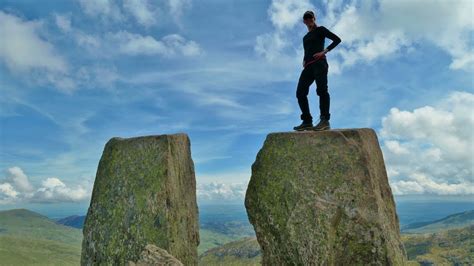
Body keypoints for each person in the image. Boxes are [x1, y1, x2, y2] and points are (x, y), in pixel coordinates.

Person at [293, 10, 341, 131]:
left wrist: (324, 51)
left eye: (311, 18)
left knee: (322, 91)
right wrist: (304, 60)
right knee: (300, 93)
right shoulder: (305, 37)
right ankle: (307, 121)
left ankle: (325, 120)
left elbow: (337, 40)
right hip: (308, 66)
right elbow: (307, 50)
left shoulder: (321, 30)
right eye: (306, 18)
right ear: (304, 21)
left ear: (314, 18)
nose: (309, 20)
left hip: (320, 64)